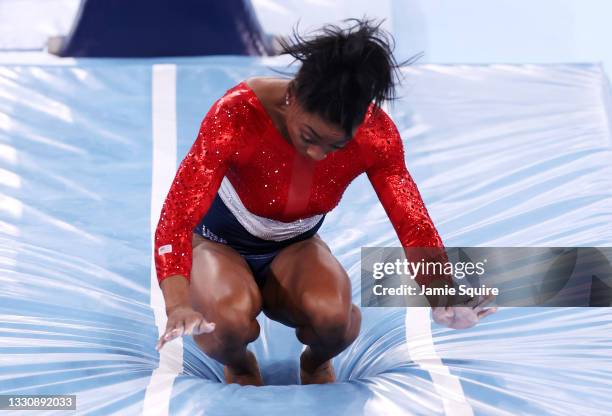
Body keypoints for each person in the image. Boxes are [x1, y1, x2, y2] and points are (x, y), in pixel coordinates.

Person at [153, 19, 497, 386]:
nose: (318, 154)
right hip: (219, 246)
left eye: (335, 146)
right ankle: (238, 363)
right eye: (309, 136)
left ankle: (315, 362)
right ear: (293, 95)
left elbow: (411, 220)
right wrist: (177, 304)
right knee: (227, 322)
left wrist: (442, 291)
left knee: (334, 318)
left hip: (295, 248)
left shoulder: (375, 136)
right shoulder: (237, 115)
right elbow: (176, 215)